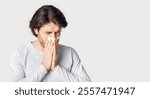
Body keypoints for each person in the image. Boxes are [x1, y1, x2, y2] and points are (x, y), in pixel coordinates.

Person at [9, 5, 91, 82]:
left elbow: (87, 87)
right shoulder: (20, 54)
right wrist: (43, 67)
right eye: (48, 32)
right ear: (36, 30)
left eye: (57, 32)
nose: (53, 38)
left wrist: (56, 68)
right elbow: (14, 91)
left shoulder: (70, 53)